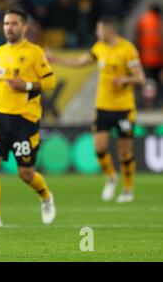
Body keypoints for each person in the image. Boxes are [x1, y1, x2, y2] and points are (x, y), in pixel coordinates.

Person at [46, 16, 145, 203]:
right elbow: (80, 62)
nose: (97, 33)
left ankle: (128, 189)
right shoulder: (99, 48)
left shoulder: (127, 49)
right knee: (99, 148)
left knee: (124, 152)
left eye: (99, 29)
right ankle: (111, 177)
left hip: (124, 109)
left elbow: (140, 78)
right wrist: (56, 59)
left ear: (110, 30)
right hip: (103, 107)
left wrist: (125, 80)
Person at [0, 8, 57, 229]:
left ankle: (46, 196)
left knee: (25, 173)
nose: (9, 28)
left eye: (13, 23)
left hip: (25, 120)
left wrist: (27, 85)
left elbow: (50, 82)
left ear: (24, 27)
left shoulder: (34, 52)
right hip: (1, 119)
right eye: (6, 23)